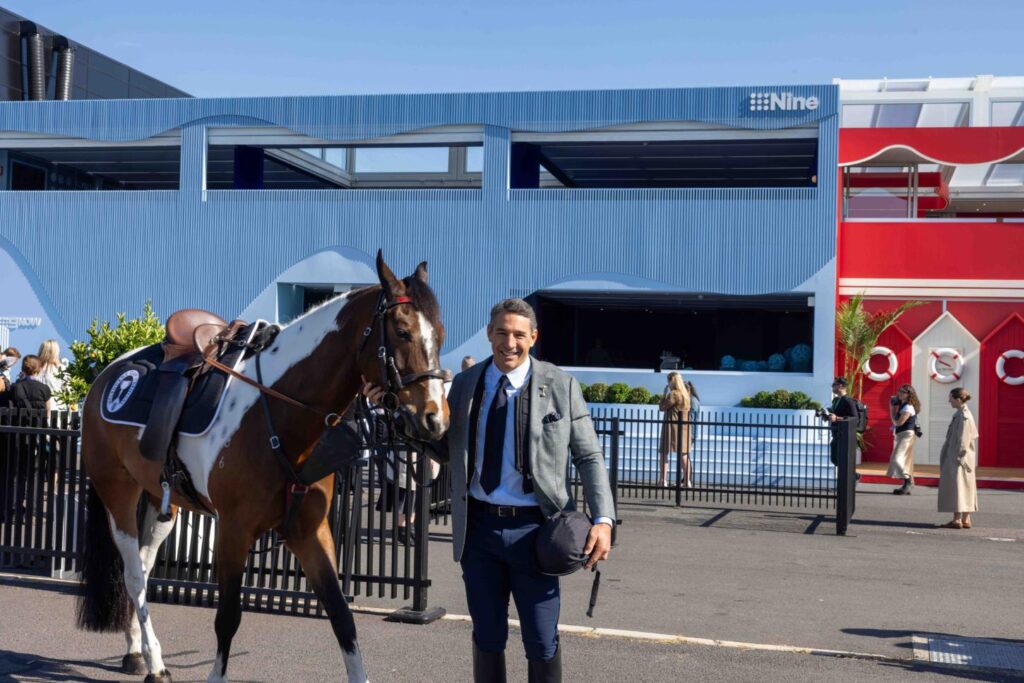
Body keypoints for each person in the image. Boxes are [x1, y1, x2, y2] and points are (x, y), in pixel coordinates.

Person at [363, 298, 615, 682]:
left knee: (541, 639)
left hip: (538, 532)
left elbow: (590, 457)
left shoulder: (560, 385)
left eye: (518, 334)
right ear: (488, 334)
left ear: (533, 337)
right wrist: (393, 412)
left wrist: (603, 519)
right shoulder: (465, 384)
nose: (509, 342)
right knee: (487, 637)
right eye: (501, 333)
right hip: (479, 533)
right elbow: (442, 449)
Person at [937, 388, 978, 529]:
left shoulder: (963, 416)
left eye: (951, 398)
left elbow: (963, 440)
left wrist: (958, 457)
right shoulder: (961, 414)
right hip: (962, 457)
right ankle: (966, 519)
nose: (949, 401)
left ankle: (957, 520)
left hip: (959, 458)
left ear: (958, 399)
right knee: (966, 487)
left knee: (958, 488)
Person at [658, 372, 691, 488]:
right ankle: (687, 481)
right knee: (684, 454)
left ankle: (663, 480)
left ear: (672, 381)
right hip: (684, 427)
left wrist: (664, 394)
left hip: (671, 426)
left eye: (668, 381)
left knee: (663, 452)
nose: (667, 383)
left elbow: (662, 407)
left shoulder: (674, 394)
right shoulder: (686, 394)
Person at [886, 383, 920, 495]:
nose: (900, 394)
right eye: (899, 391)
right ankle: (907, 485)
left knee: (897, 459)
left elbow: (899, 422)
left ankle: (908, 482)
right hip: (903, 435)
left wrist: (891, 411)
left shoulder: (908, 407)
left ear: (909, 394)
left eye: (903, 392)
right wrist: (893, 404)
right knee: (906, 461)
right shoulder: (903, 405)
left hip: (907, 436)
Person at [827, 377, 857, 467]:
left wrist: (837, 418)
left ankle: (852, 477)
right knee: (835, 459)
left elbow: (854, 418)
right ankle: (850, 477)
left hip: (843, 435)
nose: (832, 387)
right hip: (836, 434)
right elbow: (835, 414)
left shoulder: (848, 401)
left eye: (834, 385)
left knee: (841, 460)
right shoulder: (836, 400)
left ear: (840, 386)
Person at [36, 340, 67, 409]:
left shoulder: (34, 368)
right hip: (57, 408)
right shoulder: (62, 369)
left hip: (37, 408)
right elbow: (68, 391)